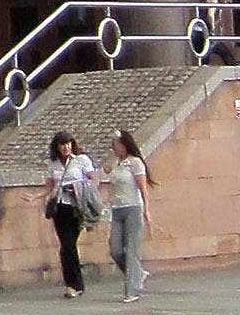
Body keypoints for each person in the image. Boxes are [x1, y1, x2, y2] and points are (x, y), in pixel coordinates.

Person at [40, 132, 101, 298]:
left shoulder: (81, 160)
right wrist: (36, 196)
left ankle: (74, 284)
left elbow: (94, 180)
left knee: (68, 244)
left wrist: (76, 187)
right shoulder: (53, 164)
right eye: (62, 144)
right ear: (57, 147)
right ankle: (73, 283)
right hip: (60, 207)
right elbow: (50, 186)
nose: (65, 147)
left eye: (68, 143)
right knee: (65, 246)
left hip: (76, 206)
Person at [107, 128, 154, 302]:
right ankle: (138, 273)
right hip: (118, 208)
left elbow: (143, 187)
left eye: (117, 145)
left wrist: (146, 209)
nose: (115, 149)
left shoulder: (135, 163)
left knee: (131, 249)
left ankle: (132, 290)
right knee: (115, 249)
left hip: (133, 207)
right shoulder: (117, 163)